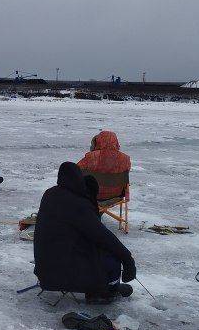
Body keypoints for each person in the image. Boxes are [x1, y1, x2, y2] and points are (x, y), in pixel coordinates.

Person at [34, 162, 136, 304]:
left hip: (44, 271)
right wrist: (127, 258)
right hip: (62, 273)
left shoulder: (50, 194)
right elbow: (103, 236)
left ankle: (105, 286)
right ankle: (105, 291)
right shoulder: (77, 203)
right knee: (111, 258)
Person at [76, 130, 131, 201]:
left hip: (91, 194)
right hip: (116, 195)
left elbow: (76, 171)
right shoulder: (125, 159)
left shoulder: (91, 157)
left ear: (99, 141)